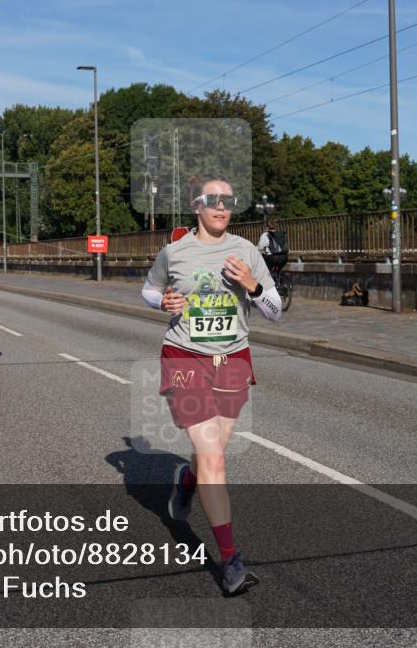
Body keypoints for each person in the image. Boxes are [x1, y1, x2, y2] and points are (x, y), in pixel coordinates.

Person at [141, 174, 282, 596]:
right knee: (216, 460)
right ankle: (232, 561)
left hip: (233, 359)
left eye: (228, 200)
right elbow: (148, 290)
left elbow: (275, 311)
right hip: (185, 357)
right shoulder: (175, 252)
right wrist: (163, 301)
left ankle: (186, 480)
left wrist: (253, 286)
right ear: (196, 205)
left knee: (210, 458)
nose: (222, 207)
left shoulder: (246, 252)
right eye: (212, 199)